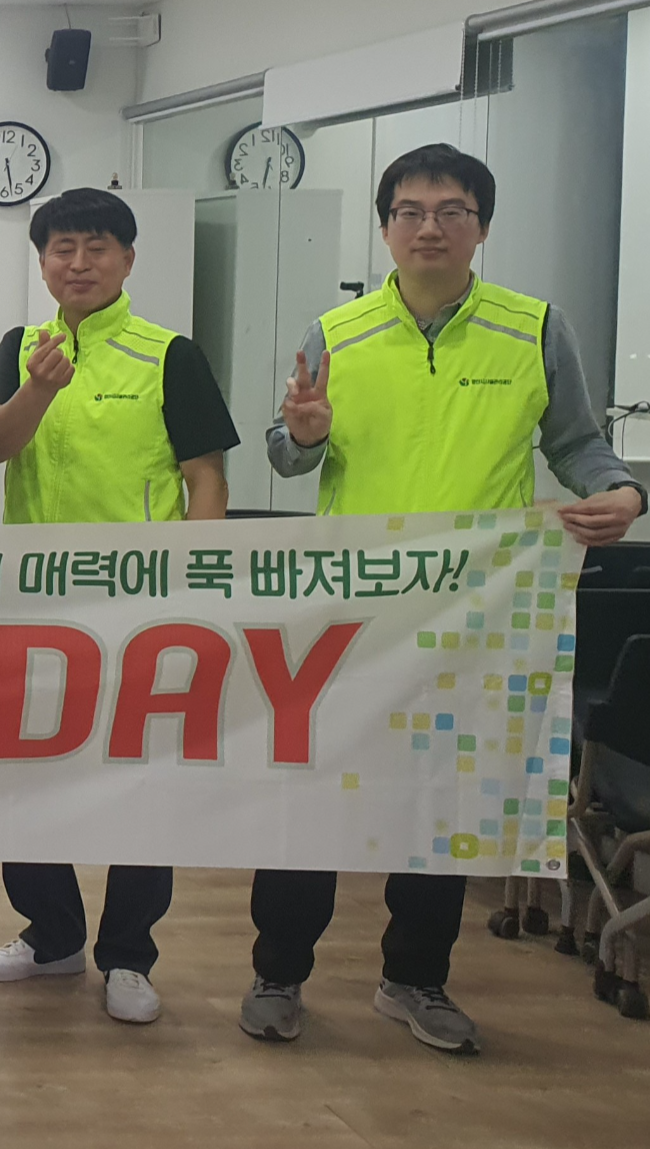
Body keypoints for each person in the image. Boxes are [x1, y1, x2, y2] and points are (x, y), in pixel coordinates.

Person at [242, 144, 644, 1056]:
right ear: (385, 227)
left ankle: (413, 978)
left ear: (480, 226)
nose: (429, 227)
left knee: (442, 804)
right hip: (348, 611)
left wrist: (623, 490)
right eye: (410, 211)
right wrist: (301, 435)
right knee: (307, 799)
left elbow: (577, 443)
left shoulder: (534, 328)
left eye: (450, 210)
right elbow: (286, 452)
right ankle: (277, 972)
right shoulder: (335, 331)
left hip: (474, 613)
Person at [0, 188, 239, 1026]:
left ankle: (128, 954)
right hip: (33, 601)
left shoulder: (169, 354)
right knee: (25, 773)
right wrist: (37, 390)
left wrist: (191, 583)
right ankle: (50, 935)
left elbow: (206, 478)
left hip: (139, 606)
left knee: (139, 781)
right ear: (41, 261)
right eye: (61, 248)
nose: (77, 263)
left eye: (95, 247)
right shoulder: (21, 346)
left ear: (126, 258)